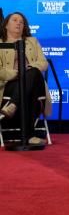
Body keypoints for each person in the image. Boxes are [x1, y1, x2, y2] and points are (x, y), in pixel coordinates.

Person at [0, 12, 51, 145]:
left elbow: (43, 63)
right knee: (28, 91)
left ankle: (12, 105)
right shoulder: (0, 43)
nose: (18, 23)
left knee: (33, 73)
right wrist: (16, 74)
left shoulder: (32, 41)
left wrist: (28, 69)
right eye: (15, 20)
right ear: (6, 25)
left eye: (21, 22)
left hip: (35, 81)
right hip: (9, 84)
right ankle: (30, 136)